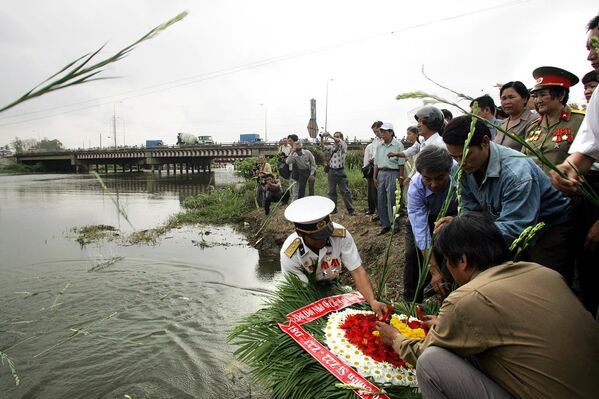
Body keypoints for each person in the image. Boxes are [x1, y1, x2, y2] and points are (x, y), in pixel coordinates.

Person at [375, 212, 599, 399]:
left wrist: (396, 339)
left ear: (462, 260)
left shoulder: (467, 297)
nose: (447, 270)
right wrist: (448, 324)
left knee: (431, 362)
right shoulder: (545, 273)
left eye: (447, 261)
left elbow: (422, 352)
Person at [437, 115, 574, 284]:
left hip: (547, 227)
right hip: (503, 224)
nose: (460, 163)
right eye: (454, 157)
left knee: (547, 282)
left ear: (485, 142)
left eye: (465, 156)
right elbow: (470, 208)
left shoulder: (516, 174)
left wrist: (467, 235)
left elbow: (517, 226)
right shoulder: (464, 169)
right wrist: (460, 225)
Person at [280, 196, 388, 318]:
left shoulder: (340, 234)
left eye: (325, 234)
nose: (323, 239)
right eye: (317, 237)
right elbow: (302, 292)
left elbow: (357, 270)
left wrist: (372, 301)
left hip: (331, 283)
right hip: (305, 291)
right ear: (300, 233)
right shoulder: (290, 253)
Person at [404, 146, 458, 302]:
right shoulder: (415, 187)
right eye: (428, 179)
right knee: (413, 255)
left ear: (448, 171)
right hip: (425, 217)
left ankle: (447, 300)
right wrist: (433, 270)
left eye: (440, 178)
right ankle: (411, 303)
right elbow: (421, 231)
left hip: (453, 216)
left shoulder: (459, 173)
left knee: (448, 254)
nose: (434, 184)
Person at [523, 66, 584, 174]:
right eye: (535, 96)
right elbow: (522, 160)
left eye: (543, 95)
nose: (538, 100)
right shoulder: (533, 127)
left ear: (561, 95)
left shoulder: (580, 121)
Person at [373, 122, 405, 235]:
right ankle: (385, 224)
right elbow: (376, 163)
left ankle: (395, 224)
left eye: (384, 132)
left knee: (392, 199)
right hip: (381, 173)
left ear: (391, 132)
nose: (382, 134)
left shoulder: (398, 145)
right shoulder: (379, 146)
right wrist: (374, 177)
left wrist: (401, 177)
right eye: (381, 131)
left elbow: (401, 163)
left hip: (393, 173)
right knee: (381, 199)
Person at [493, 81, 537, 151]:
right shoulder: (501, 124)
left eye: (511, 97)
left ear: (525, 98)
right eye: (503, 98)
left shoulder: (534, 121)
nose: (507, 102)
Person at [320, 131, 355, 215]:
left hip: (340, 171)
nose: (336, 138)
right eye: (335, 136)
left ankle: (351, 210)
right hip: (331, 171)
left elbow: (339, 142)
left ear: (341, 138)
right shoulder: (332, 147)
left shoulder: (343, 145)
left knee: (345, 191)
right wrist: (321, 138)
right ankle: (333, 209)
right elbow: (323, 148)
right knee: (331, 191)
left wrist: (330, 136)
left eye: (337, 136)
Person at [286, 136, 316, 201]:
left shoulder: (307, 152)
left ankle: (312, 201)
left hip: (310, 170)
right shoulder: (294, 156)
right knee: (301, 190)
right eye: (296, 145)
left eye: (299, 145)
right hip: (302, 172)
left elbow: (313, 164)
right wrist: (292, 152)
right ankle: (301, 203)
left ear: (301, 146)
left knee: (311, 187)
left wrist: (312, 174)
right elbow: (287, 162)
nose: (298, 146)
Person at [363, 121, 383, 216]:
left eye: (377, 131)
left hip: (383, 169)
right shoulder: (375, 141)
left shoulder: (386, 140)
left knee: (381, 193)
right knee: (373, 192)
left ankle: (381, 213)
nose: (376, 134)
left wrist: (374, 159)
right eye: (374, 132)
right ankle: (376, 211)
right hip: (374, 168)